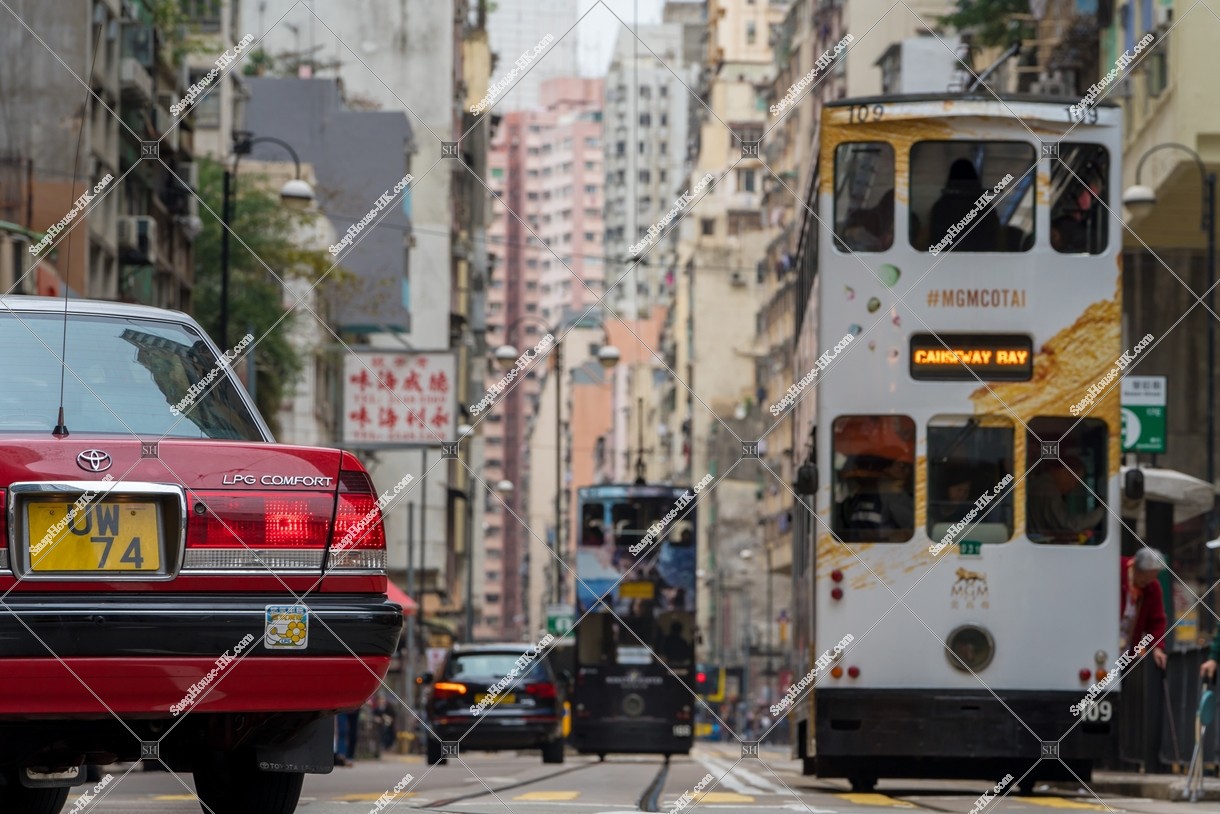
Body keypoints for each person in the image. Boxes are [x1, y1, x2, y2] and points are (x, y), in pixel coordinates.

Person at [927, 159, 1000, 252]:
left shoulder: (940, 207)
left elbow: (933, 239)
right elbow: (995, 238)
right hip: (981, 260)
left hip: (946, 261)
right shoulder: (986, 207)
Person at [1027, 456, 1106, 542]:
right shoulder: (1048, 489)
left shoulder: (1041, 484)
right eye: (1075, 481)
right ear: (1066, 471)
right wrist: (1102, 511)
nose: (1072, 487)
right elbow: (1068, 525)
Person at [1121, 549, 1168, 669]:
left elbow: (1156, 622)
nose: (1147, 583)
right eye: (1144, 579)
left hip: (1125, 652)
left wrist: (1157, 648)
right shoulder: (1118, 569)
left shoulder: (1152, 586)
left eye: (1152, 578)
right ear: (1136, 568)